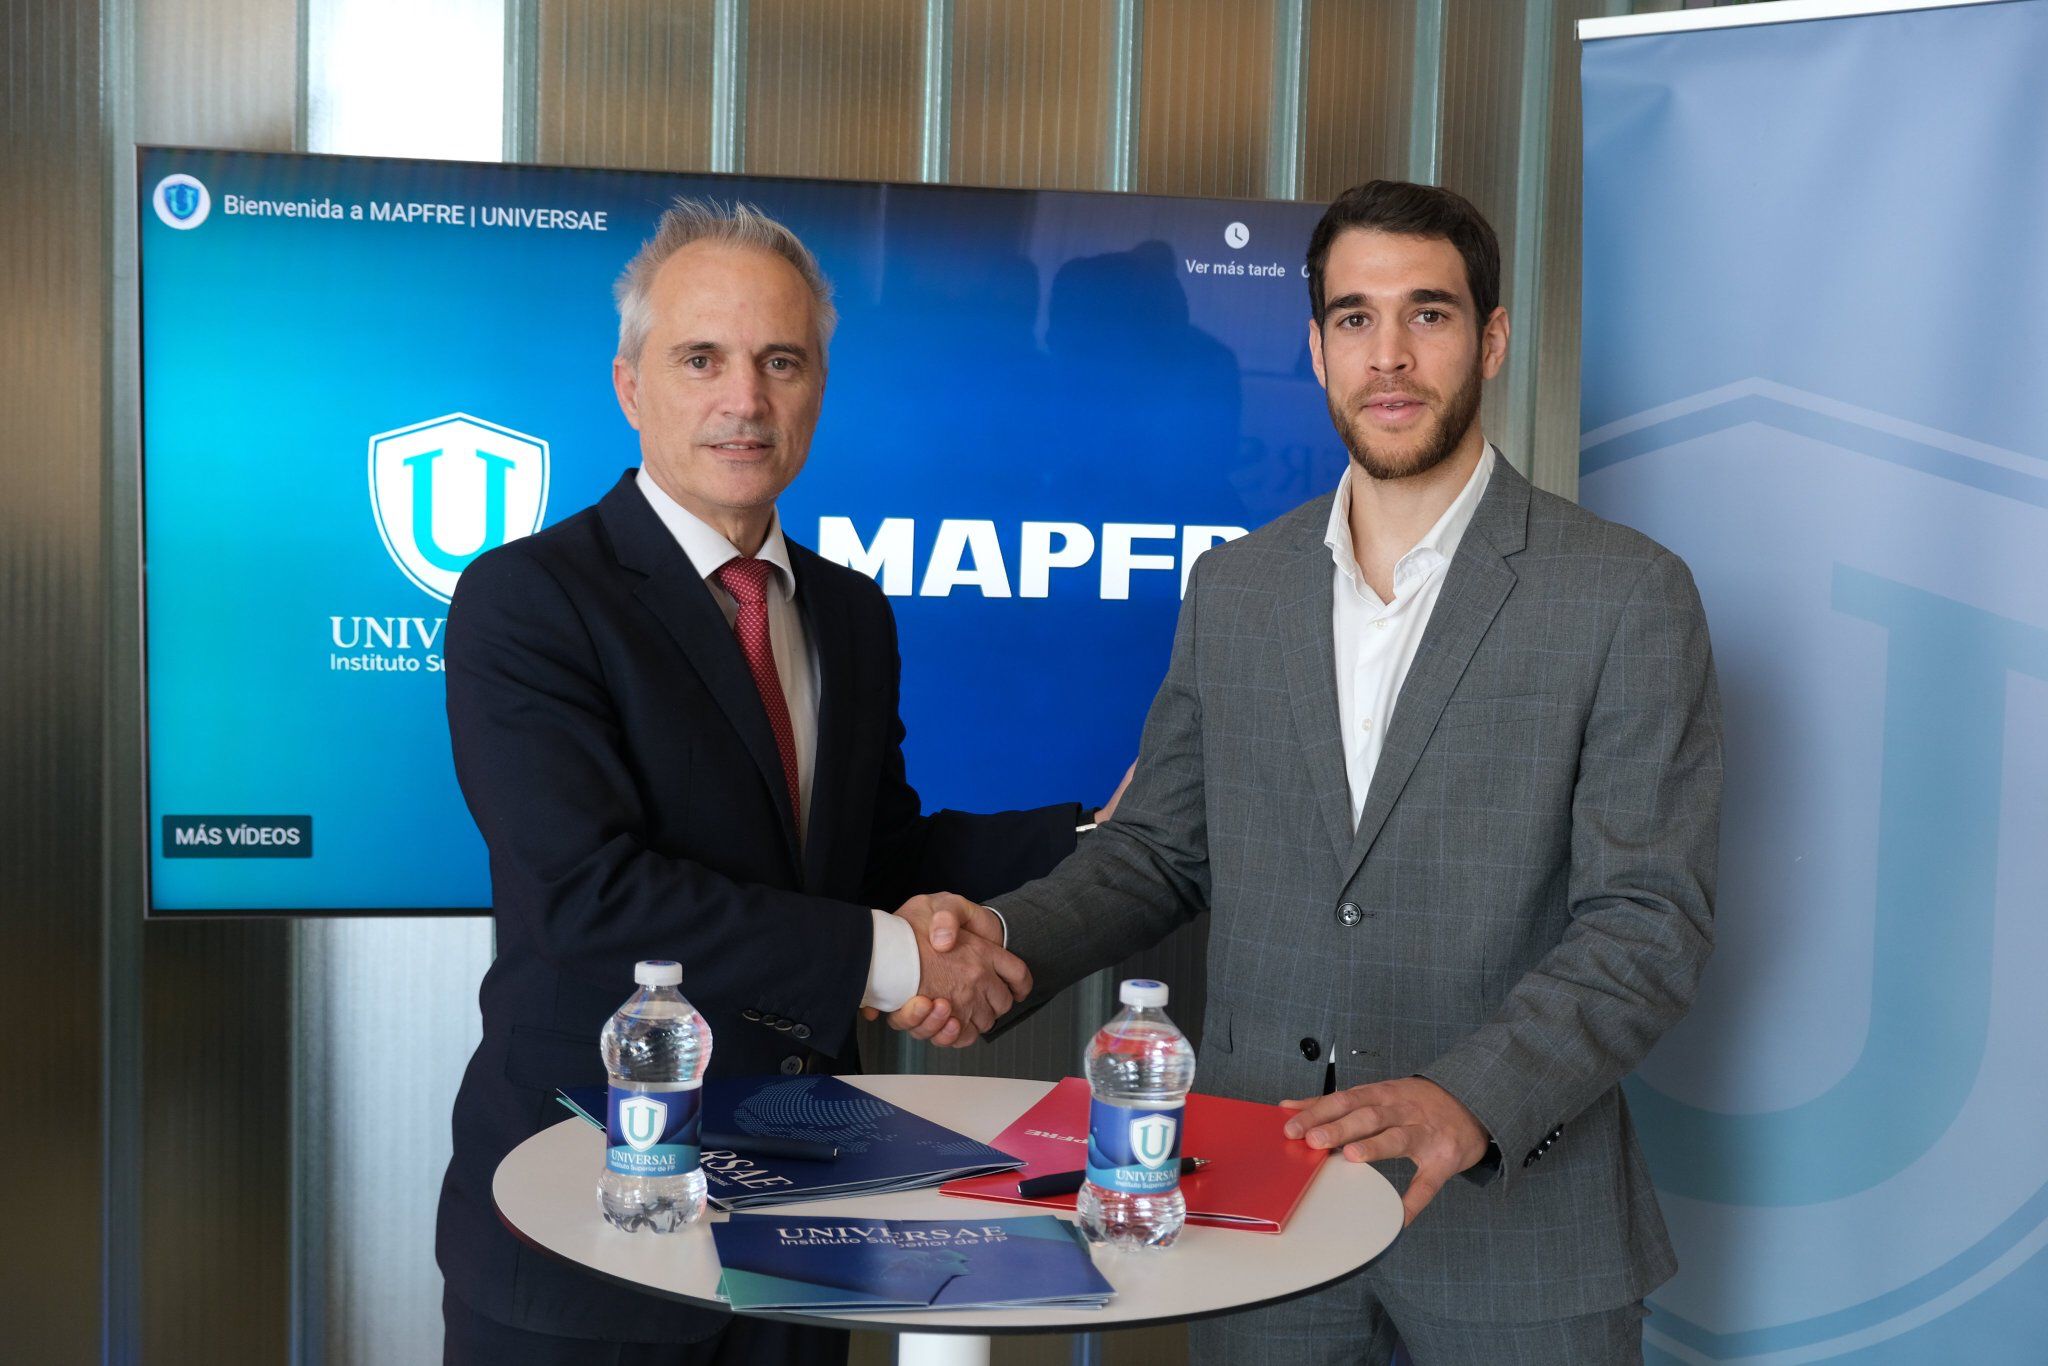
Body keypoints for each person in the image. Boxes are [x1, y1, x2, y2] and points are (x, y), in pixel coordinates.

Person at [895, 180, 1722, 1365]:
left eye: (1427, 314)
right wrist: (1005, 943)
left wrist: (1467, 1097)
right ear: (1315, 347)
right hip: (1258, 1211)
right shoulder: (1236, 587)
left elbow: (1646, 918)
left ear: (1490, 338)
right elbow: (1158, 850)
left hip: (1517, 1234)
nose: (1388, 356)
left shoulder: (1625, 593)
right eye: (1353, 318)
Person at [436, 199, 1111, 1365]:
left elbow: (871, 855)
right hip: (590, 1228)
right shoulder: (530, 598)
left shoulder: (847, 610)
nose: (744, 399)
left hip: (803, 1213)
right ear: (629, 386)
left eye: (780, 362)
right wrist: (900, 960)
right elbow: (588, 896)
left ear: (817, 390)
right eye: (700, 358)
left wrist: (1108, 829)